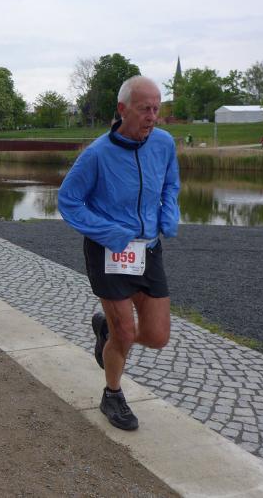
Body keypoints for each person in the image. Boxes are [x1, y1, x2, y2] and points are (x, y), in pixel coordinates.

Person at [57, 75, 180, 431]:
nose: (152, 117)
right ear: (122, 109)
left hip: (148, 249)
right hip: (108, 252)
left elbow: (171, 183)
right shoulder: (96, 155)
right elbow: (68, 201)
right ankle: (112, 394)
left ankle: (107, 333)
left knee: (157, 336)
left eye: (156, 108)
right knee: (125, 332)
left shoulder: (164, 143)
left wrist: (168, 213)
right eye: (144, 109)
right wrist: (111, 233)